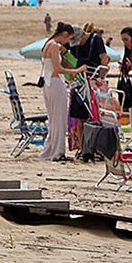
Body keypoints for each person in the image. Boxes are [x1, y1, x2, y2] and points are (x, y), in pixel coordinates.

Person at [39, 22, 77, 161]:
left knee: (54, 120)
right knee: (59, 120)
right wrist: (76, 70)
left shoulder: (49, 44)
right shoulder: (53, 45)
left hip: (50, 83)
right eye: (69, 38)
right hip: (55, 83)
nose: (68, 42)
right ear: (65, 34)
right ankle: (57, 152)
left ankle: (51, 150)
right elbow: (58, 69)